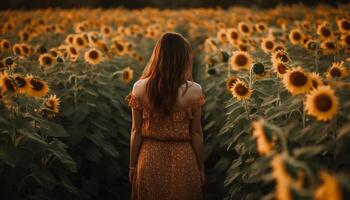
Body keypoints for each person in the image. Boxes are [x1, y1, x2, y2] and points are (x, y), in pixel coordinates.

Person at [125, 32, 205, 200]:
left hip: (149, 157)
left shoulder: (139, 87)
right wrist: (201, 167)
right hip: (184, 159)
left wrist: (132, 167)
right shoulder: (194, 90)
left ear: (158, 55)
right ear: (184, 58)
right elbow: (196, 133)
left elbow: (135, 131)